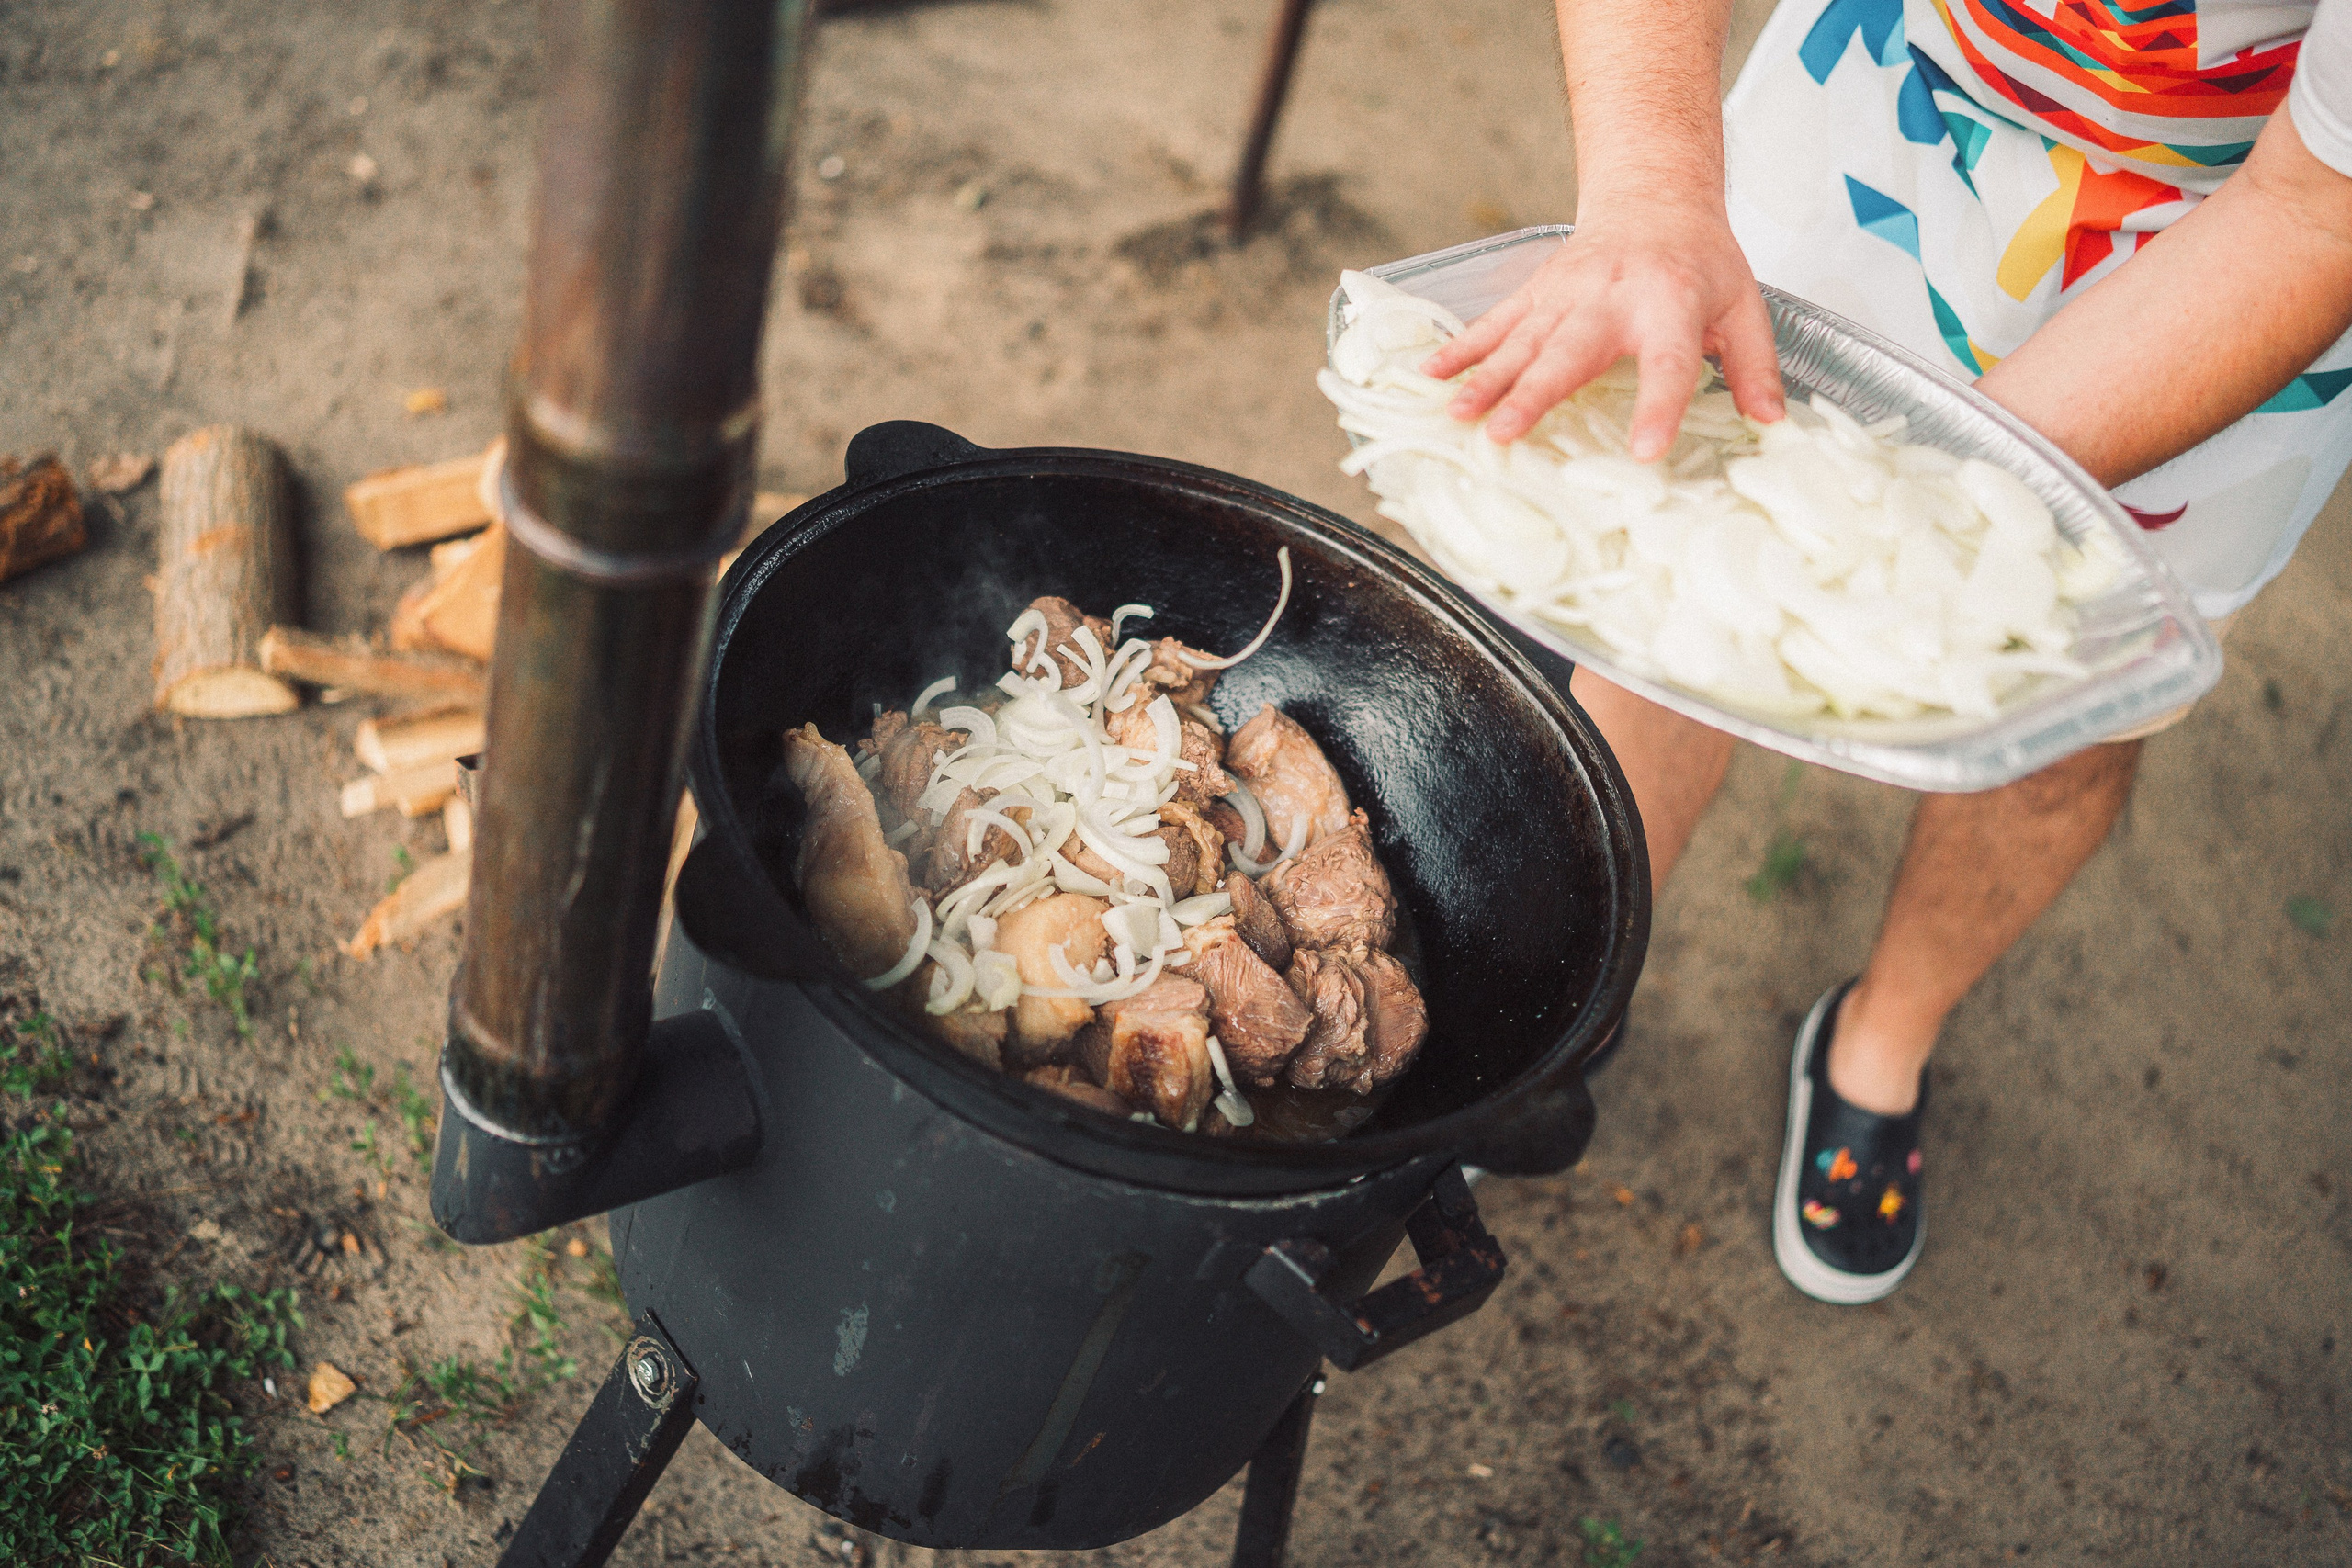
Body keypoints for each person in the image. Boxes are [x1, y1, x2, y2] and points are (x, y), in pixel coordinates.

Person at [1429, 0, 2352, 1303]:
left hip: (2237, 242)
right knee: (1690, 576)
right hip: (1895, 91)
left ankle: (1881, 1039)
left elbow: (2317, 212)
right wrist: (1650, 193)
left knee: (2062, 700)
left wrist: (1909, 502)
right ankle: (1579, 974)